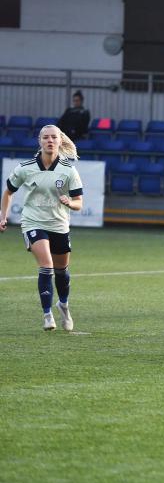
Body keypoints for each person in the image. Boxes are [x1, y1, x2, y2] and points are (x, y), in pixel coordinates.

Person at [0, 125, 83, 331]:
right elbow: (8, 192)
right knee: (46, 266)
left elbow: (79, 202)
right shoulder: (25, 168)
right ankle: (47, 315)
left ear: (59, 140)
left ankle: (63, 305)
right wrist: (3, 216)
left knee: (61, 271)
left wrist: (69, 203)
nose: (50, 140)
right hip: (33, 222)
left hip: (59, 224)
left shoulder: (69, 170)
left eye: (54, 137)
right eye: (45, 137)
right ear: (40, 141)